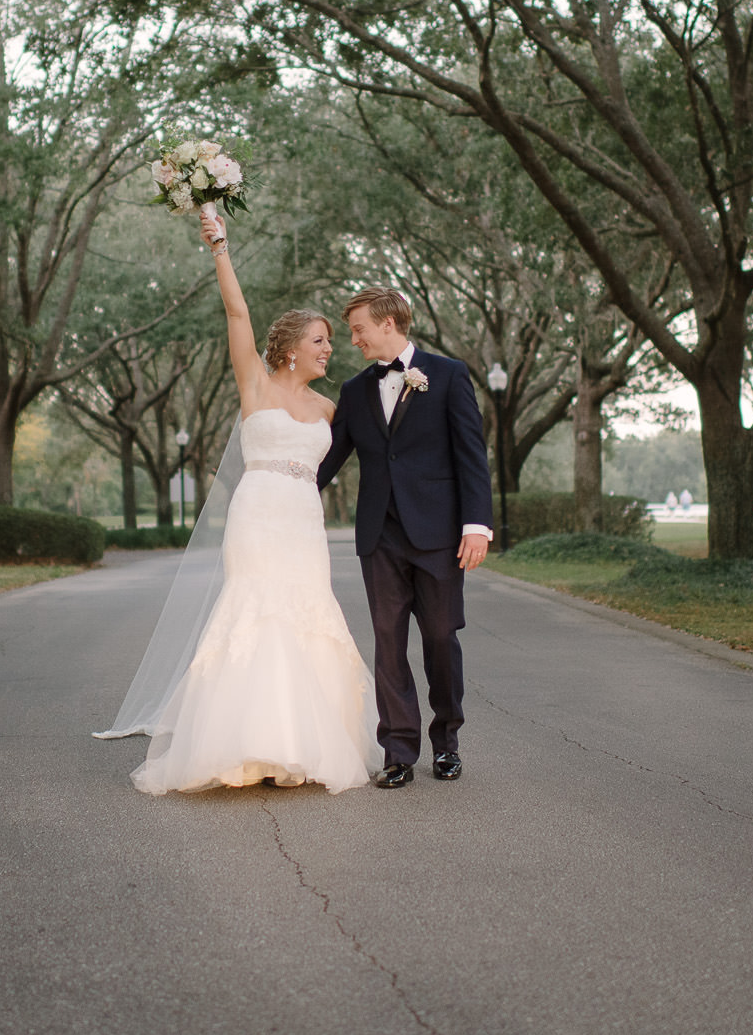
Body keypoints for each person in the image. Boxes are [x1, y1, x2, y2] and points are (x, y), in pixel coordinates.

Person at [101, 209, 382, 793]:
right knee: (256, 610)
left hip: (304, 521)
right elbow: (237, 311)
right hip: (257, 517)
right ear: (290, 350)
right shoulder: (254, 381)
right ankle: (244, 746)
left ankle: (298, 746)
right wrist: (220, 247)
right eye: (321, 340)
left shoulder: (334, 410)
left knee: (306, 613)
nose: (330, 349)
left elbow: (380, 449)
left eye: (331, 340)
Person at [317, 287, 494, 788]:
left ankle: (447, 745)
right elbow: (330, 460)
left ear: (389, 324)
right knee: (389, 643)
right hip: (380, 537)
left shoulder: (449, 375)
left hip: (439, 535)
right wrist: (281, 489)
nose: (352, 340)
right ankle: (398, 751)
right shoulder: (353, 391)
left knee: (440, 637)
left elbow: (471, 457)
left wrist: (476, 525)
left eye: (358, 329)